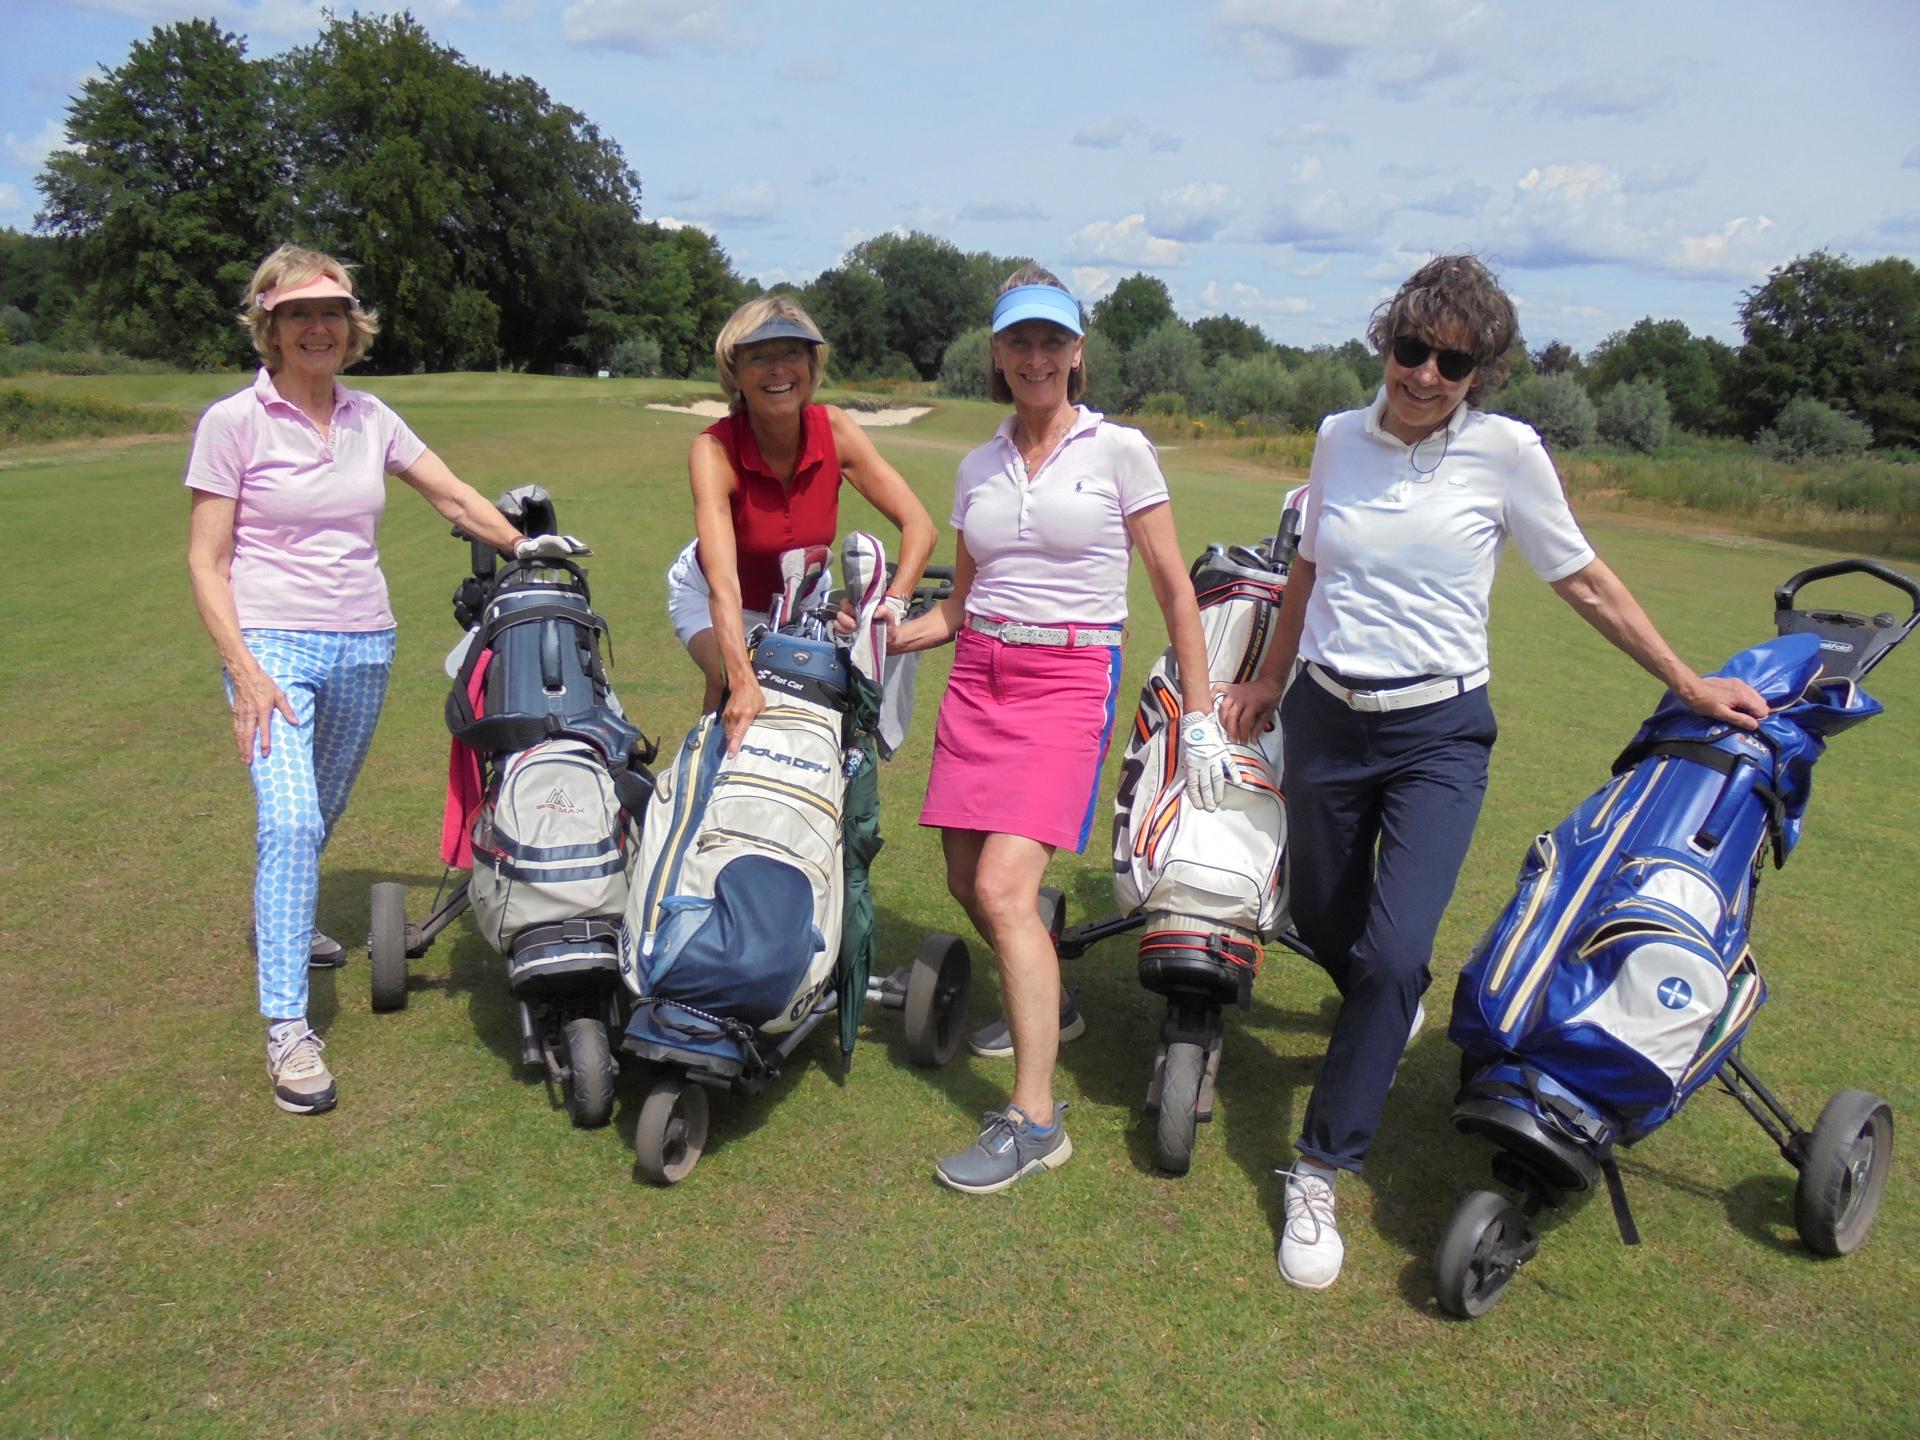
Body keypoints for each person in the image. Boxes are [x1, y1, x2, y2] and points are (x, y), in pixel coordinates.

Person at [1214, 253, 1769, 1289]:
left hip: (1439, 734)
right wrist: (1268, 678)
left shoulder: (1507, 453)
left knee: (1392, 957)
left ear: (1480, 372)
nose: (1425, 375)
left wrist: (1688, 682)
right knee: (1322, 922)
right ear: (1387, 341)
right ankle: (1386, 1012)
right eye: (1411, 349)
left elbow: (1585, 580)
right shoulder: (1337, 437)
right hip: (1326, 721)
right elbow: (1308, 567)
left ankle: (1320, 1169)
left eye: (1453, 362)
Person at [185, 243, 571, 1115]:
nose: (317, 327)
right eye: (297, 314)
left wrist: (526, 544)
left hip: (364, 644)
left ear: (350, 324)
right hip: (270, 647)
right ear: (270, 326)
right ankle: (289, 1028)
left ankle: (284, 922)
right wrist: (243, 670)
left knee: (316, 813)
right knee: (289, 818)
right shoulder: (234, 421)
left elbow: (451, 495)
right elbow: (207, 561)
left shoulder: (370, 416)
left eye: (331, 311)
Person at [892, 266, 1234, 1194]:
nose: (1036, 356)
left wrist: (1201, 714)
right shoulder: (978, 466)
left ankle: (1036, 1122)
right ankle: (1051, 994)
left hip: (1069, 679)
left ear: (1077, 352)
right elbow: (960, 604)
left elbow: (1173, 589)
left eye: (1052, 340)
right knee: (966, 880)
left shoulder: (1119, 451)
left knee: (1003, 889)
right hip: (979, 677)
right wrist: (885, 631)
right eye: (1019, 341)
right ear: (997, 353)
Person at [664, 296, 936, 755]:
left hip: (802, 595)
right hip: (712, 593)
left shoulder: (835, 429)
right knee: (731, 683)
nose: (778, 369)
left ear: (811, 365)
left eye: (792, 353)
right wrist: (742, 679)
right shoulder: (713, 450)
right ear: (734, 371)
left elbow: (920, 526)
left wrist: (894, 601)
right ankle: (706, 777)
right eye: (759, 356)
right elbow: (723, 585)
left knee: (808, 703)